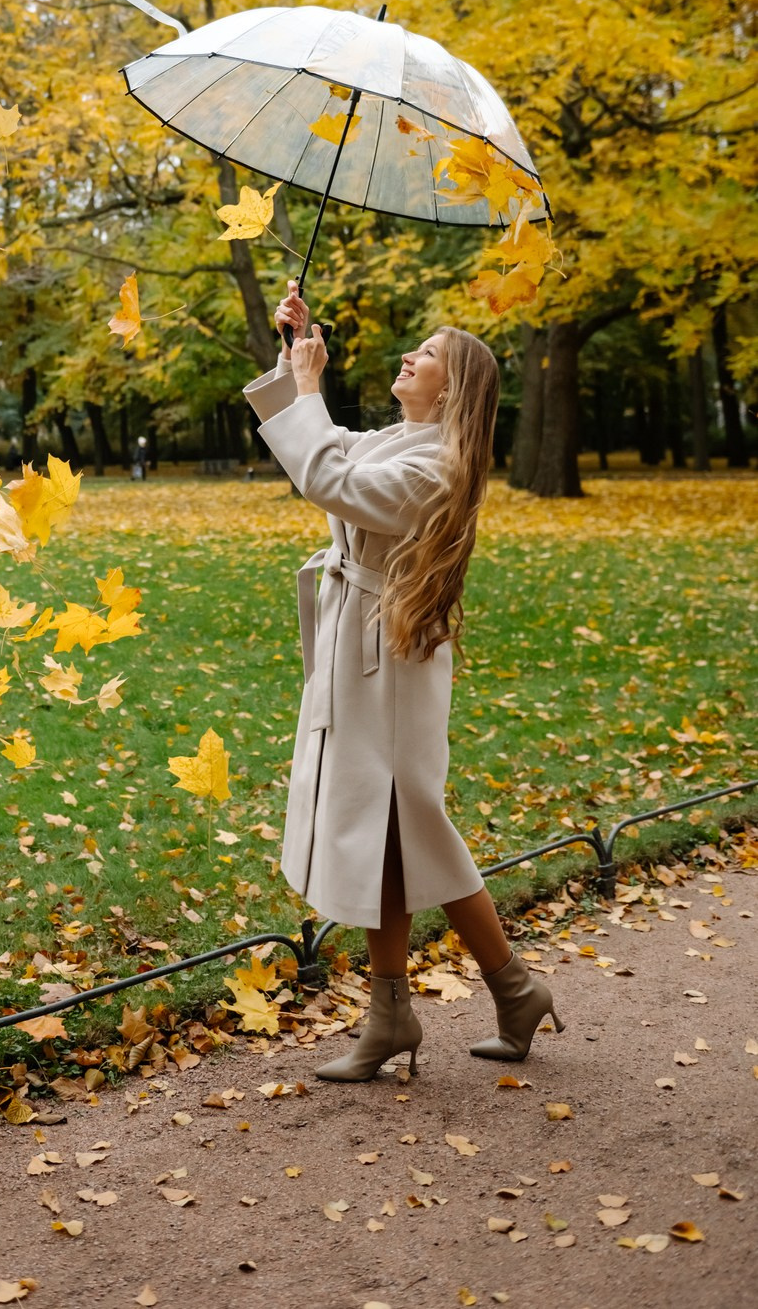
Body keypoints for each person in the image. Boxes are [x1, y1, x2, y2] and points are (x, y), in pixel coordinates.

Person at [242, 280, 564, 1081]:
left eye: (429, 354)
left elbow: (325, 477)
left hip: (387, 662)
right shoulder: (401, 439)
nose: (411, 356)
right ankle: (405, 1013)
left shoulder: (440, 465)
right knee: (380, 831)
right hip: (364, 644)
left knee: (403, 822)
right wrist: (296, 359)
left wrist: (308, 390)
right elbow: (333, 449)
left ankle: (502, 989)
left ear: (455, 387)